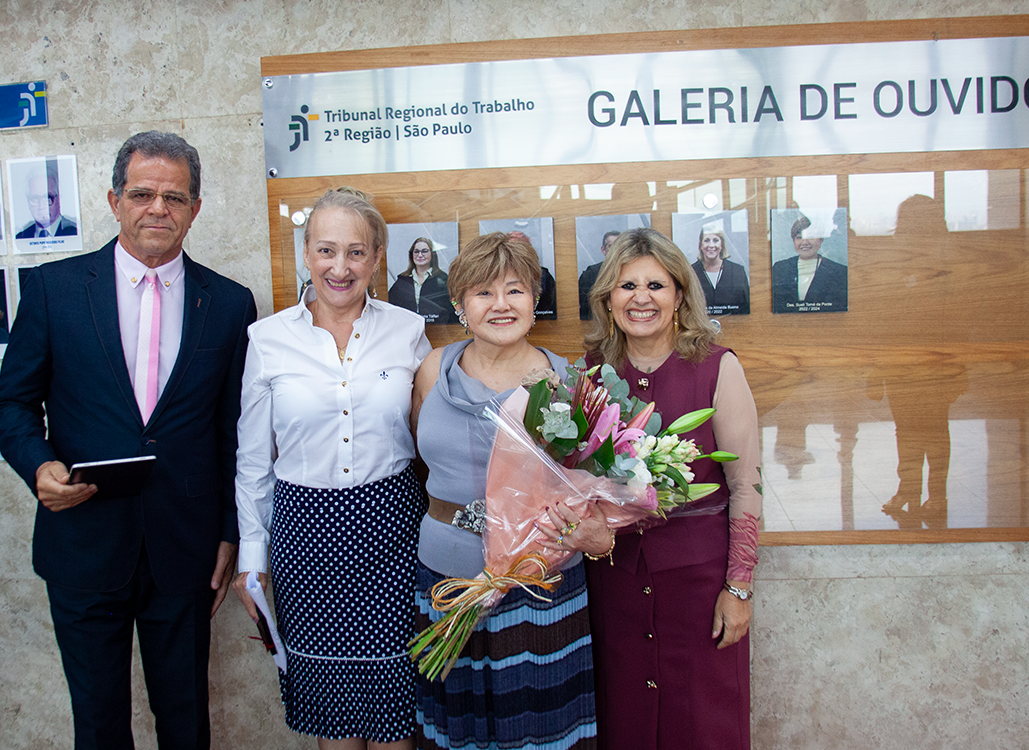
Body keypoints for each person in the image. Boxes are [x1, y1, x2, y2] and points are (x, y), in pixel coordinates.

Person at [0, 130, 256, 750]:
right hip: (84, 542)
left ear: (195, 207)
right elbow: (10, 403)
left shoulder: (230, 303)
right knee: (99, 724)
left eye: (174, 196)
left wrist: (228, 532)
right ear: (114, 201)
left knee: (187, 723)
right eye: (142, 193)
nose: (157, 208)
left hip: (186, 548)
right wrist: (39, 468)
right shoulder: (54, 291)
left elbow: (232, 431)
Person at [234, 187, 429, 749]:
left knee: (395, 715)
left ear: (376, 256)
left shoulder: (407, 331)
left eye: (355, 252)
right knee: (334, 721)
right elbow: (253, 464)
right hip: (305, 538)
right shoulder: (267, 340)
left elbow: (431, 436)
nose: (339, 268)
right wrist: (253, 558)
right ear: (305, 254)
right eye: (326, 251)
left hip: (393, 530)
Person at [412, 232, 608, 750]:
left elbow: (590, 485)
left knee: (539, 724)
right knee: (456, 725)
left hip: (536, 583)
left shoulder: (567, 382)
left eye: (515, 290)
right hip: (444, 578)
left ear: (535, 299)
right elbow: (416, 460)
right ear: (459, 303)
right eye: (483, 292)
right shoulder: (433, 370)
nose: (500, 305)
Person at [581, 227, 762, 750]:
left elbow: (746, 488)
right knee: (626, 719)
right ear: (608, 300)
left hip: (700, 585)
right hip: (613, 583)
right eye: (626, 285)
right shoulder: (592, 375)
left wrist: (739, 587)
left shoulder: (717, 367)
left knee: (704, 721)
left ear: (680, 294)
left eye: (656, 285)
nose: (641, 298)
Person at [771, 213, 847, 312]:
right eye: (799, 237)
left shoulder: (839, 271)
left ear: (820, 240)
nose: (805, 242)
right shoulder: (780, 268)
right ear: (793, 241)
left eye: (810, 237)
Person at [386, 236, 456, 324]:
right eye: (416, 251)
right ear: (411, 255)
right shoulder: (402, 281)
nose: (420, 255)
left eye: (424, 251)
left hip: (439, 331)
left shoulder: (443, 279)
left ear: (432, 254)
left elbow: (452, 310)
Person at [691, 227, 751, 315]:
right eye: (706, 240)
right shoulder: (690, 272)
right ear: (700, 245)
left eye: (716, 240)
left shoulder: (738, 271)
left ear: (722, 244)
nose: (711, 245)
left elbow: (745, 307)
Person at [16, 170, 79, 239]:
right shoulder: (21, 238)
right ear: (28, 202)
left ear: (59, 199)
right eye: (35, 198)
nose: (41, 206)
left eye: (48, 198)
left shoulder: (75, 233)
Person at [578, 230, 619, 320]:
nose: (615, 249)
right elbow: (585, 310)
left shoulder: (633, 273)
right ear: (603, 250)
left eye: (619, 246)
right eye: (611, 246)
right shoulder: (590, 274)